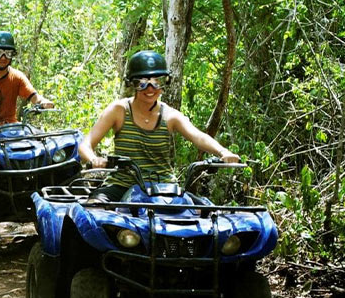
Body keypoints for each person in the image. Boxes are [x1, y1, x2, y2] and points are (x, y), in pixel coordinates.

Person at [78, 50, 240, 201]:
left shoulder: (170, 116)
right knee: (94, 209)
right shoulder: (119, 110)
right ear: (132, 84)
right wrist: (94, 159)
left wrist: (222, 152)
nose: (150, 88)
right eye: (142, 83)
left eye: (157, 82)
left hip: (164, 187)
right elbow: (86, 144)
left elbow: (198, 136)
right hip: (121, 185)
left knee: (205, 214)